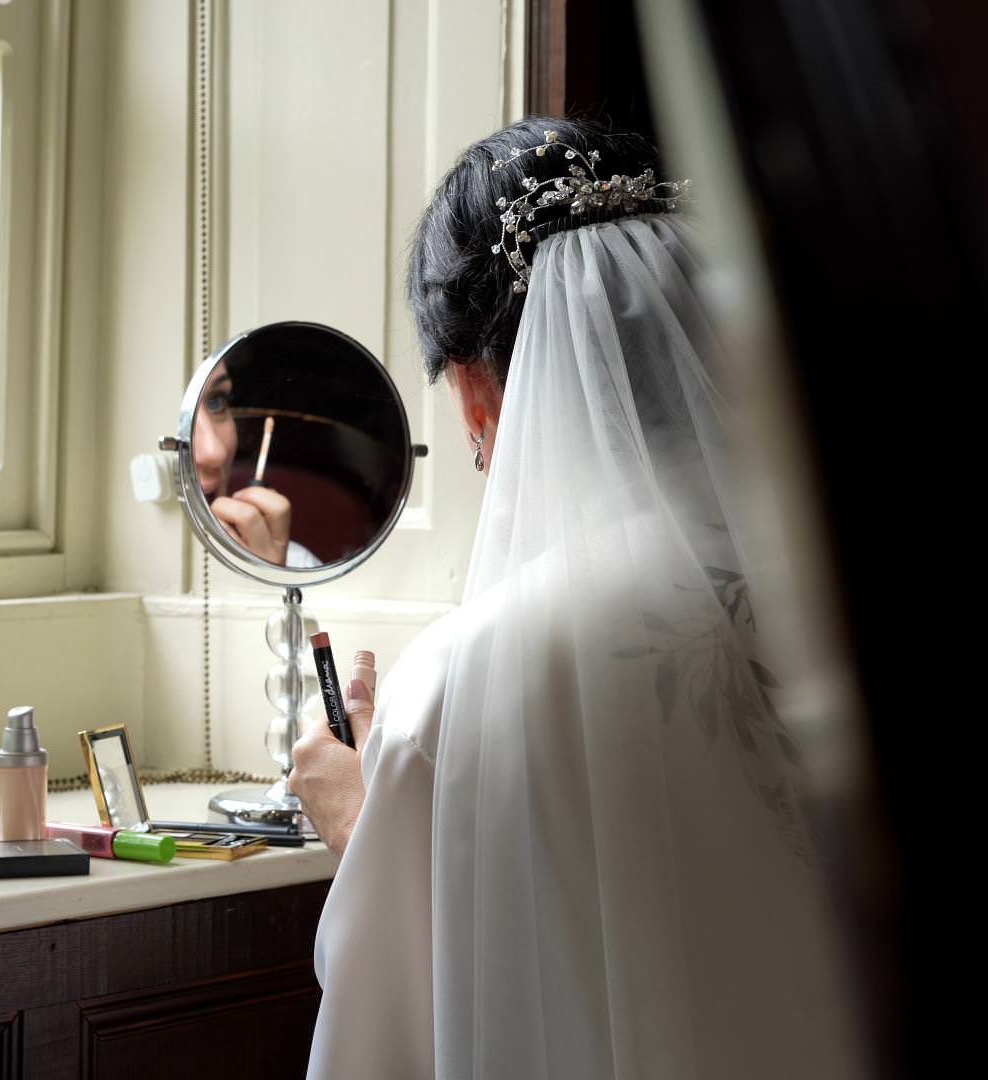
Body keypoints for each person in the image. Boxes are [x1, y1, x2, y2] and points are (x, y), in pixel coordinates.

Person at [288, 118, 862, 1078]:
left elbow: (391, 1046)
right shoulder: (865, 592)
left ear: (475, 395)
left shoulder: (460, 684)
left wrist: (364, 824)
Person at [191, 357, 321, 568]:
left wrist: (269, 576)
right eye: (182, 416)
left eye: (216, 401)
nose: (216, 452)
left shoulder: (298, 566)